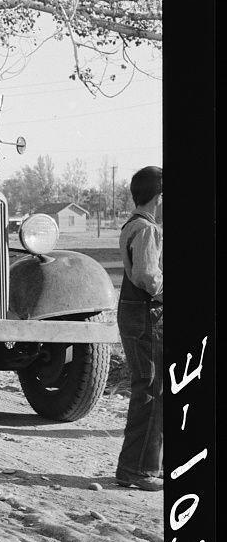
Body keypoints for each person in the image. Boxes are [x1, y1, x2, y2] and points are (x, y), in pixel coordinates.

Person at [115, 166, 163, 492]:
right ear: (159, 197)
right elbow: (148, 277)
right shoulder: (147, 229)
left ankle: (136, 466)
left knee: (146, 387)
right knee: (150, 390)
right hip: (146, 315)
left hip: (132, 312)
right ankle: (136, 470)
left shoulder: (130, 224)